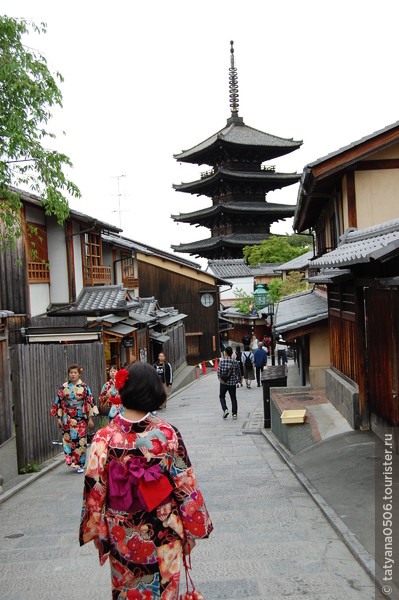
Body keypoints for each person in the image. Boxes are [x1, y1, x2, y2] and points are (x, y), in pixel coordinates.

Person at [79, 362, 213, 598]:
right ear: (154, 392)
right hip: (164, 528)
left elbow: (95, 489)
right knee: (165, 591)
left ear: (123, 391)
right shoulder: (168, 433)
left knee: (127, 590)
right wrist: (191, 531)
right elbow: (186, 484)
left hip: (122, 533)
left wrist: (97, 532)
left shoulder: (104, 437)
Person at [50, 364, 98, 474]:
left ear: (79, 374)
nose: (73, 375)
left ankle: (80, 463)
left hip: (81, 416)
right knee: (68, 440)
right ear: (68, 374)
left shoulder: (84, 387)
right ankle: (71, 461)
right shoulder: (64, 387)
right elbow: (59, 403)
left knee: (80, 441)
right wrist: (59, 418)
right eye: (71, 373)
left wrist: (90, 418)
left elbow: (90, 402)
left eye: (75, 373)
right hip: (67, 416)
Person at [217, 345, 241, 419]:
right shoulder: (235, 362)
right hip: (232, 383)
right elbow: (238, 373)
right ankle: (234, 414)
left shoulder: (221, 361)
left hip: (223, 383)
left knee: (222, 396)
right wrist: (236, 381)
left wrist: (221, 380)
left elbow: (218, 373)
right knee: (233, 398)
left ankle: (225, 409)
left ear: (226, 353)